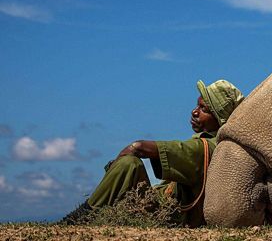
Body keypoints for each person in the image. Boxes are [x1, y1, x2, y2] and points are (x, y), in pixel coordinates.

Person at [60, 79, 244, 227]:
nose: (195, 112)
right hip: (161, 207)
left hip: (168, 217)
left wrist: (127, 156)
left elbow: (139, 147)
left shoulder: (206, 148)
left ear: (219, 120)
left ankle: (77, 221)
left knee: (129, 164)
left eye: (204, 109)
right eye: (197, 105)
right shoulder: (216, 145)